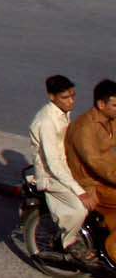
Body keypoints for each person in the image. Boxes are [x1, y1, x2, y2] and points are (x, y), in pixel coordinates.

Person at [31, 76, 93, 258]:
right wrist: (79, 191)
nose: (71, 101)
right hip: (51, 176)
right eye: (66, 97)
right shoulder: (46, 122)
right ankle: (68, 241)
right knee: (81, 207)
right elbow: (53, 164)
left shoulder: (62, 112)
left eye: (73, 96)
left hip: (65, 169)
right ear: (52, 97)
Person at [65, 79, 116, 251]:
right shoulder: (85, 128)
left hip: (104, 176)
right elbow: (95, 162)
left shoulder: (110, 120)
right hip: (90, 182)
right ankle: (113, 249)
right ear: (101, 104)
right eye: (115, 105)